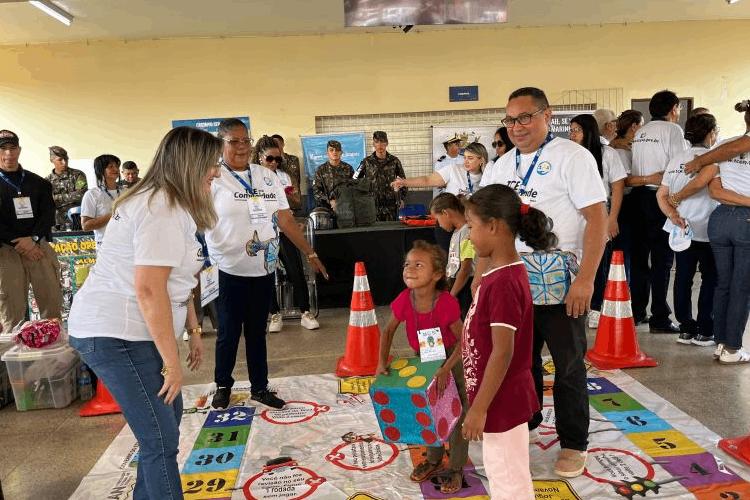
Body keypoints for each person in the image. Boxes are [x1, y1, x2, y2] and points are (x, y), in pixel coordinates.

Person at [67, 126, 217, 499]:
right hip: (116, 334)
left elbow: (178, 282)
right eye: (211, 165)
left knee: (165, 429)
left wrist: (194, 331)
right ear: (191, 165)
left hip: (135, 333)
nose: (216, 172)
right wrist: (171, 362)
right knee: (160, 439)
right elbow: (149, 290)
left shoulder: (169, 204)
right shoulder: (160, 208)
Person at [478, 87, 608, 477]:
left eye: (525, 117)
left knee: (568, 365)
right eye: (510, 120)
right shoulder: (499, 166)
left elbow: (597, 220)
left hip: (561, 280)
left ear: (547, 116)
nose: (517, 127)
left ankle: (573, 442)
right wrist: (481, 275)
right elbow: (486, 226)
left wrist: (585, 280)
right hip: (511, 280)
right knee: (519, 360)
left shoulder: (573, 157)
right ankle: (526, 423)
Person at [206, 119, 328, 411]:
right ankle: (223, 384)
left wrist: (310, 253)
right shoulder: (211, 178)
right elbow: (194, 220)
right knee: (228, 332)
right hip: (227, 268)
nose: (241, 147)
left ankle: (259, 387)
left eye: (245, 141)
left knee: (257, 332)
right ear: (220, 143)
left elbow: (285, 219)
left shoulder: (266, 176)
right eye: (233, 142)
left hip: (262, 267)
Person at [460, 184, 551, 499]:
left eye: (472, 227)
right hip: (497, 396)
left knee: (508, 478)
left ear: (494, 226)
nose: (469, 236)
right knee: (502, 472)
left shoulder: (504, 283)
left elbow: (503, 352)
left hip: (501, 399)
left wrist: (478, 409)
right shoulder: (497, 274)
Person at [376, 240, 468, 495]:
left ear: (437, 274)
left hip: (452, 359)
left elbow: (464, 341)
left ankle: (457, 467)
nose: (410, 269)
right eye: (407, 264)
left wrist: (446, 369)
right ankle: (434, 457)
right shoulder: (405, 299)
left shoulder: (447, 302)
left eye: (419, 265)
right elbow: (388, 330)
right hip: (424, 357)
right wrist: (382, 362)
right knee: (428, 408)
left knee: (456, 412)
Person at [689, 106, 750, 363]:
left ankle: (721, 342)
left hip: (720, 219)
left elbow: (713, 189)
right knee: (741, 286)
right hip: (746, 222)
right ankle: (733, 348)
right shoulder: (728, 146)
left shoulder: (722, 146)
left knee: (724, 283)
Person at [656, 113, 719, 346]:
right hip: (708, 228)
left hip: (681, 229)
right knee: (711, 279)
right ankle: (706, 329)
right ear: (711, 133)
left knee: (683, 277)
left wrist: (673, 215)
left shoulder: (676, 160)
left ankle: (686, 328)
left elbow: (661, 195)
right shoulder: (714, 160)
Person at [628, 90, 688, 331]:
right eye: (679, 109)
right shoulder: (673, 130)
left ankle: (638, 310)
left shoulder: (642, 131)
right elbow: (679, 166)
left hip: (639, 199)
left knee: (641, 259)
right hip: (660, 198)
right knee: (662, 259)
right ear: (673, 108)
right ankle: (660, 317)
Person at [250, 135, 319, 332]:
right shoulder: (251, 176)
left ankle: (305, 312)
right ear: (260, 157)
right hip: (263, 233)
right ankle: (274, 314)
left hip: (285, 229)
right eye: (270, 158)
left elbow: (295, 202)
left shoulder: (283, 176)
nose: (274, 163)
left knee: (295, 270)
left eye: (278, 159)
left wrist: (289, 195)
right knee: (267, 272)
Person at [568, 114, 627, 329]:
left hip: (599, 216)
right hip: (575, 218)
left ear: (589, 131)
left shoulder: (607, 154)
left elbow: (618, 187)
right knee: (576, 262)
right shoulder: (570, 155)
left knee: (598, 263)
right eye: (571, 129)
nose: (572, 134)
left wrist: (612, 219)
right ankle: (577, 305)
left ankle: (596, 307)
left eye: (577, 130)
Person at [0, 130, 61, 334]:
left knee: (51, 307)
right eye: (3, 149)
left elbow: (48, 214)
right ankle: (11, 364)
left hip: (38, 247)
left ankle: (55, 361)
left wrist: (33, 239)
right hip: (6, 252)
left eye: (12, 148)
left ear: (19, 150)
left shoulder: (39, 183)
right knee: (11, 312)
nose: (8, 154)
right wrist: (22, 244)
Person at [609, 110, 645, 282]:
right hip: (624, 205)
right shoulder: (619, 151)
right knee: (624, 252)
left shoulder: (626, 147)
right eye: (642, 125)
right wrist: (651, 178)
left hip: (629, 205)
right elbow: (624, 181)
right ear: (634, 126)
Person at [429, 193, 474, 318]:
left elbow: (466, 268)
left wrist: (451, 295)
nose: (439, 225)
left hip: (464, 287)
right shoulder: (456, 232)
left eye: (438, 220)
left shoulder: (467, 233)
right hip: (456, 284)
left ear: (446, 213)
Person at [354, 131, 407, 221]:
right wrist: (361, 199)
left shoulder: (394, 161)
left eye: (382, 142)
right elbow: (354, 180)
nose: (380, 145)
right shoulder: (366, 162)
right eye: (377, 142)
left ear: (387, 143)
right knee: (374, 232)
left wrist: (401, 198)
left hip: (391, 205)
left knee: (391, 231)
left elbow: (403, 181)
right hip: (372, 205)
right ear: (373, 144)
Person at [80, 154, 122, 248]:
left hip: (127, 243)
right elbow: (86, 226)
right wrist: (113, 214)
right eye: (111, 166)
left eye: (117, 166)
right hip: (106, 245)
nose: (116, 169)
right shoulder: (92, 194)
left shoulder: (126, 192)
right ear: (101, 170)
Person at [46, 145, 87, 229]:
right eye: (60, 160)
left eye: (66, 159)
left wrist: (56, 198)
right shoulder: (46, 181)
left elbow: (81, 195)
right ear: (52, 160)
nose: (64, 162)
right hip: (57, 225)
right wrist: (70, 197)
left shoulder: (78, 175)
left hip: (76, 222)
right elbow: (47, 202)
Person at [312, 140, 354, 210]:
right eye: (331, 150)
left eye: (337, 150)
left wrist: (340, 201)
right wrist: (330, 201)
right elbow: (316, 191)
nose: (334, 152)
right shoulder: (321, 170)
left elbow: (353, 187)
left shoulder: (348, 168)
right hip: (325, 208)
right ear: (327, 153)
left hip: (345, 208)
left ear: (341, 152)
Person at [271, 135, 303, 214]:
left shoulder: (293, 159)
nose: (276, 146)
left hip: (293, 200)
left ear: (283, 144)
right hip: (277, 203)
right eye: (273, 144)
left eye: (278, 143)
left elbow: (297, 178)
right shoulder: (270, 161)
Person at [432, 133, 464, 198]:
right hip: (447, 196)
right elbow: (438, 182)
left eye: (459, 144)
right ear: (449, 146)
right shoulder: (440, 163)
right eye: (457, 144)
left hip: (463, 195)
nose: (460, 146)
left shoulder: (464, 159)